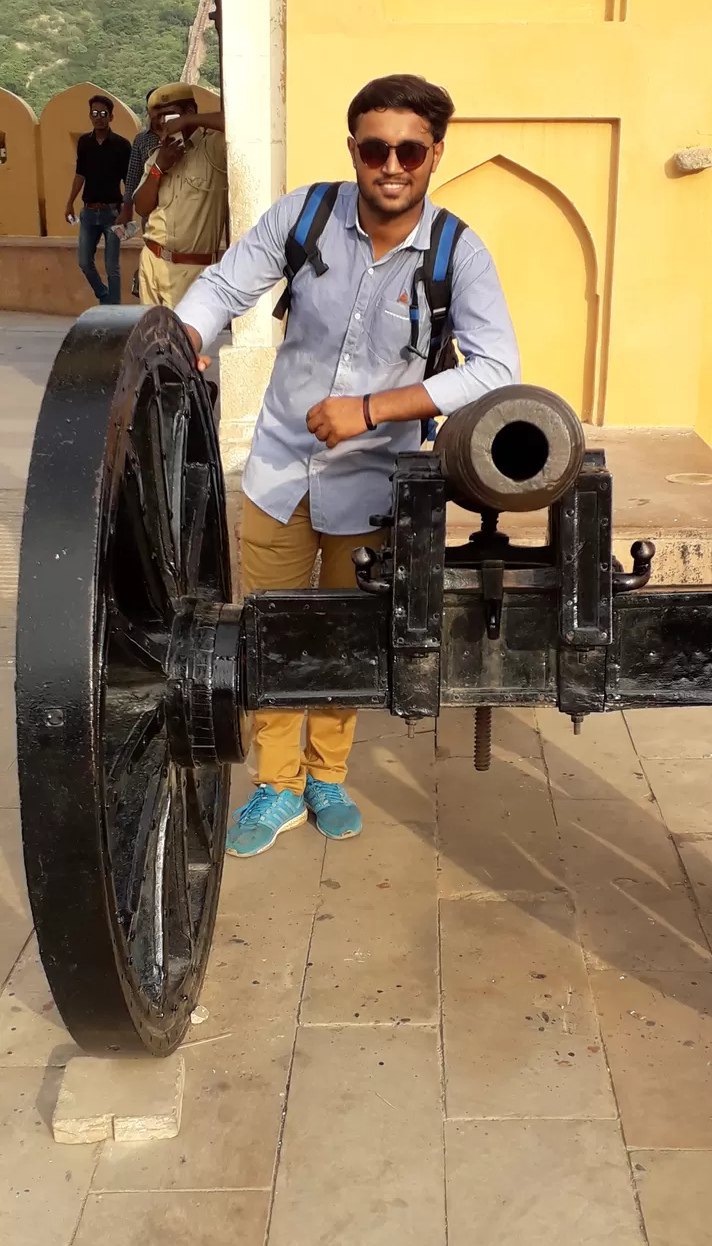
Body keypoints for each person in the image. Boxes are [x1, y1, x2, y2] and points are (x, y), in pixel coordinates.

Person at [177, 71, 520, 859]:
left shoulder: (457, 252)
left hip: (376, 486)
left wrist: (373, 409)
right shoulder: (306, 215)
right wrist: (187, 336)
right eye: (375, 147)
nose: (390, 164)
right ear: (354, 150)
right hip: (278, 473)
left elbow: (497, 367)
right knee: (270, 629)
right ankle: (277, 784)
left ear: (435, 153)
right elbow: (227, 285)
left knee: (347, 635)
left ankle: (326, 773)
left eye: (408, 149)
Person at [131, 82, 227, 309]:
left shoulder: (212, 148)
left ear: (190, 112)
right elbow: (142, 208)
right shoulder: (157, 156)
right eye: (155, 118)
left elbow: (241, 122)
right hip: (152, 261)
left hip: (190, 270)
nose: (161, 123)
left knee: (183, 341)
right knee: (152, 340)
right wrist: (158, 169)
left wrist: (188, 123)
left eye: (168, 115)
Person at [65, 93, 131, 306]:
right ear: (90, 116)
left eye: (103, 113)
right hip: (89, 212)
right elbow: (80, 174)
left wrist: (126, 210)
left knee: (112, 266)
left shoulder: (121, 145)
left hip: (113, 213)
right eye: (94, 113)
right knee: (84, 262)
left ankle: (115, 311)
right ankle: (104, 297)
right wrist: (69, 202)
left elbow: (128, 180)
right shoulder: (85, 142)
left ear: (111, 117)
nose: (98, 117)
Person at [113, 89, 162, 298]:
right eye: (153, 110)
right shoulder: (142, 140)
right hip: (149, 207)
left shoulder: (186, 137)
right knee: (154, 249)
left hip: (181, 205)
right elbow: (133, 176)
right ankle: (144, 283)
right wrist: (126, 209)